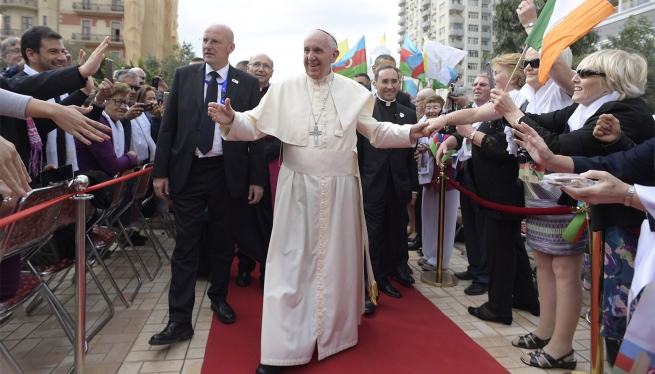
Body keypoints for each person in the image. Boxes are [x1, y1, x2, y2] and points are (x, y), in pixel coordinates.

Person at [208, 29, 428, 374]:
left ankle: (333, 333)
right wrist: (232, 120)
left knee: (334, 263)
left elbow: (375, 132)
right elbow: (254, 124)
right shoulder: (284, 89)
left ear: (333, 55)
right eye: (306, 50)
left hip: (341, 190)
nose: (311, 56)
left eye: (318, 51)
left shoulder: (354, 92)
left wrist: (409, 133)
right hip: (298, 189)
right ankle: (282, 348)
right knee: (291, 265)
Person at [487, 49, 654, 369]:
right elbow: (622, 160)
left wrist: (520, 123)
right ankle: (554, 337)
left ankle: (565, 348)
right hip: (613, 221)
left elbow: (567, 149)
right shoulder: (593, 110)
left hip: (630, 229)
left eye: (585, 73)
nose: (574, 78)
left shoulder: (624, 111)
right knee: (613, 312)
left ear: (612, 79)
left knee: (623, 315)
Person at [150, 24, 265, 345]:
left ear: (231, 48)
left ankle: (219, 297)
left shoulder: (247, 83)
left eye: (215, 41)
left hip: (228, 173)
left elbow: (254, 133)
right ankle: (179, 319)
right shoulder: (184, 75)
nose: (208, 45)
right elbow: (169, 127)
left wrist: (257, 178)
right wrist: (160, 172)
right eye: (204, 40)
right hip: (188, 171)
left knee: (223, 241)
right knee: (185, 245)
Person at [430, 53, 539, 328]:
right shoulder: (502, 102)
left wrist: (470, 134)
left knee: (500, 250)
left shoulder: (518, 103)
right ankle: (525, 297)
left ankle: (498, 307)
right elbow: (475, 115)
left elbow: (503, 149)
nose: (492, 79)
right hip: (493, 188)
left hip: (503, 189)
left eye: (497, 73)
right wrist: (446, 121)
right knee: (511, 247)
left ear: (513, 77)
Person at [358, 64, 418, 314]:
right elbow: (359, 152)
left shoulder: (409, 113)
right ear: (375, 83)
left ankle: (395, 269)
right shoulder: (364, 112)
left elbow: (410, 156)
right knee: (373, 236)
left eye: (394, 81)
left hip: (398, 185)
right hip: (371, 184)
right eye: (385, 81)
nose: (390, 86)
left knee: (395, 230)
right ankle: (372, 284)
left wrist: (413, 187)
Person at [234, 53, 278, 288]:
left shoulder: (279, 98)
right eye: (257, 65)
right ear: (248, 68)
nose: (261, 69)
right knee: (243, 220)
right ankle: (244, 267)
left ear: (272, 72)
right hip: (240, 166)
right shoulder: (237, 94)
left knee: (267, 222)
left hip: (270, 169)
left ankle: (266, 270)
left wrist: (259, 154)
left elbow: (285, 134)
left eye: (266, 66)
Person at [452, 73, 492, 296]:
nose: (477, 87)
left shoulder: (494, 112)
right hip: (465, 172)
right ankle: (475, 267)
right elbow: (460, 137)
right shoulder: (470, 113)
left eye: (483, 84)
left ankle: (484, 276)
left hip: (484, 176)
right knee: (470, 224)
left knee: (482, 226)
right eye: (475, 84)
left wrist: (470, 132)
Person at [416, 95, 460, 273]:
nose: (432, 110)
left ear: (442, 108)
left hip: (447, 178)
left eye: (436, 107)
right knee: (428, 218)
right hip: (428, 177)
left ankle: (441, 259)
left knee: (446, 220)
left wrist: (437, 150)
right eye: (429, 107)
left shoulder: (450, 127)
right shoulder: (421, 126)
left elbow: (456, 153)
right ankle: (428, 254)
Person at [75, 82, 138, 175]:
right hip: (89, 185)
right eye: (119, 102)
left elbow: (122, 158)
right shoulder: (98, 123)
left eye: (125, 102)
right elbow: (112, 166)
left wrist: (127, 162)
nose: (124, 107)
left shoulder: (115, 124)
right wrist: (132, 156)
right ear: (104, 100)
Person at [408, 87, 438, 253]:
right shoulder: (419, 121)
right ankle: (420, 236)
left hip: (434, 172)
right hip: (420, 169)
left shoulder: (440, 120)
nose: (417, 104)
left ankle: (426, 240)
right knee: (419, 206)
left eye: (418, 100)